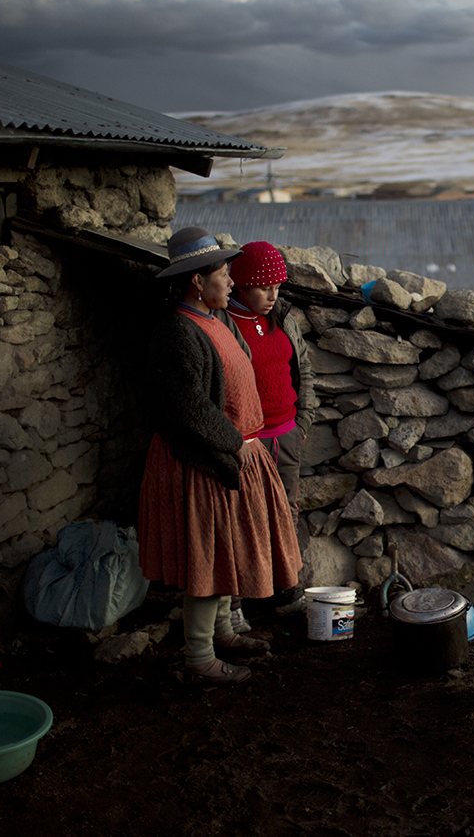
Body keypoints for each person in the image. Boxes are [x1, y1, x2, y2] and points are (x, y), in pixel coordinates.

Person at [137, 227, 304, 685]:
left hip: (232, 455)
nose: (231, 282)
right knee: (207, 559)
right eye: (224, 274)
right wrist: (236, 443)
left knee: (227, 551)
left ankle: (224, 633)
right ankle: (199, 658)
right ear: (197, 281)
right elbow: (186, 408)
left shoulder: (218, 320)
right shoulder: (177, 333)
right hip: (202, 461)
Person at [220, 241, 313, 630]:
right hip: (246, 443)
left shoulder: (284, 318)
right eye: (263, 287)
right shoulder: (223, 325)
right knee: (240, 516)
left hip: (286, 435)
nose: (273, 295)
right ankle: (235, 605)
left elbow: (302, 368)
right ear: (240, 286)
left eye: (277, 286)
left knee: (286, 512)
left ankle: (287, 593)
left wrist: (303, 421)